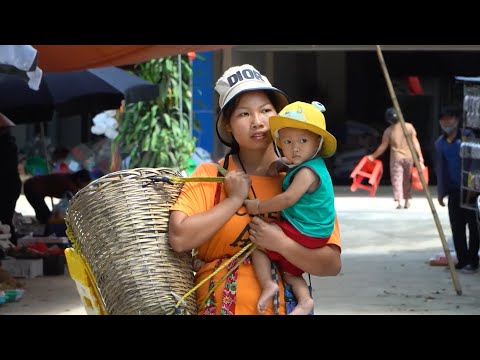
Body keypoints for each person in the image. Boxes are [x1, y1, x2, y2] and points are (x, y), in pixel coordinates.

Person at [168, 64, 342, 315]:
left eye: (266, 110)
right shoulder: (212, 175)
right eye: (244, 114)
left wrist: (281, 244)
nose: (258, 122)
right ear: (228, 124)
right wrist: (233, 199)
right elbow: (180, 238)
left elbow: (331, 264)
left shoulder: (303, 179)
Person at [243, 100, 337, 315]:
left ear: (318, 143)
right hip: (313, 232)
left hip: (307, 231)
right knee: (291, 271)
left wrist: (259, 206)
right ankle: (305, 301)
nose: (295, 148)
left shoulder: (306, 173)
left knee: (259, 245)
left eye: (303, 140)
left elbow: (287, 199)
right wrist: (281, 163)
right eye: (287, 141)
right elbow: (292, 159)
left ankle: (267, 283)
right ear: (279, 143)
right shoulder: (307, 164)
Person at [435, 105, 479, 273]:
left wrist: (473, 187)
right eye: (443, 119)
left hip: (471, 190)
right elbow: (441, 169)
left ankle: (473, 261)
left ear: (457, 120)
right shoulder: (440, 143)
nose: (446, 122)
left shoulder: (468, 139)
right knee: (457, 227)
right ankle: (462, 259)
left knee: (474, 227)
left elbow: (476, 163)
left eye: (450, 118)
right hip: (453, 190)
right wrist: (441, 192)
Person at [367, 107, 425, 209]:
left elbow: (383, 146)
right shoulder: (409, 127)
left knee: (397, 178)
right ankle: (407, 200)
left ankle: (398, 201)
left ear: (388, 120)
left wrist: (373, 156)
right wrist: (420, 156)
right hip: (409, 157)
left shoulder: (388, 131)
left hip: (396, 158)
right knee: (407, 179)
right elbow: (415, 142)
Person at [23, 169, 92, 224]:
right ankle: (46, 233)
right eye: (85, 183)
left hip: (32, 185)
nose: (84, 186)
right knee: (45, 215)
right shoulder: (69, 185)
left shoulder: (69, 179)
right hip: (32, 187)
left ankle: (44, 229)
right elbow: (77, 201)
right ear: (79, 179)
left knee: (44, 214)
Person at [0, 112, 22, 244]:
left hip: (6, 186)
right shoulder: (8, 143)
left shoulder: (6, 146)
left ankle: (11, 245)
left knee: (5, 218)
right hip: (10, 185)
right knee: (5, 218)